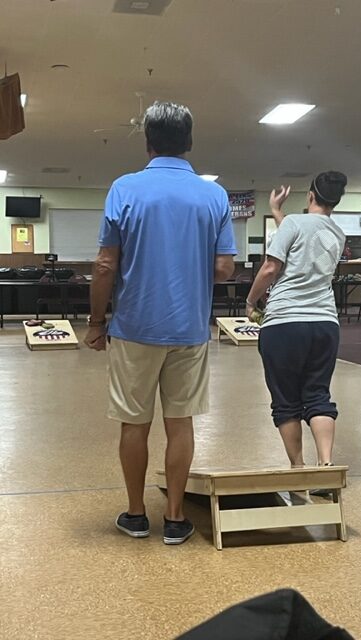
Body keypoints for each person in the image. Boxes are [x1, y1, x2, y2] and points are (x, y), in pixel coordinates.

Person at [84, 101, 236, 545]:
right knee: (180, 421)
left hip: (133, 328)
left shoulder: (125, 188)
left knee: (134, 424)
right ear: (189, 143)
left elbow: (104, 265)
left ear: (148, 142)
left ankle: (135, 515)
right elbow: (225, 270)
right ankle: (173, 518)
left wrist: (96, 322)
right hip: (189, 330)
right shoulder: (214, 195)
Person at [246, 172, 347, 469]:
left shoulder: (294, 223)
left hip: (285, 323)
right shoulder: (338, 234)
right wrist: (278, 213)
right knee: (318, 394)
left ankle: (299, 469)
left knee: (286, 400)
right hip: (325, 323)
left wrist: (251, 301)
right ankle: (326, 464)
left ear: (311, 196)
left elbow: (270, 268)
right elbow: (305, 241)